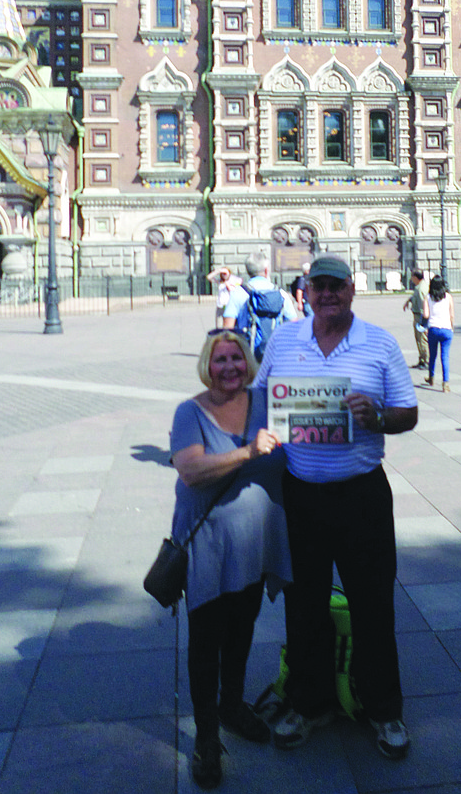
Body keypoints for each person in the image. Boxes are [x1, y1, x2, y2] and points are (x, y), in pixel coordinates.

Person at [255, 255, 418, 760]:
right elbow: (261, 397)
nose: (326, 293)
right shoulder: (284, 339)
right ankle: (309, 702)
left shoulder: (379, 343)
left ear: (352, 290)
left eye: (335, 286)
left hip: (362, 494)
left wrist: (378, 419)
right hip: (301, 494)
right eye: (317, 285)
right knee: (304, 605)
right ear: (305, 290)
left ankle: (383, 708)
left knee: (373, 603)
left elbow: (408, 414)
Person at [170, 331, 292, 788]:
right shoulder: (191, 411)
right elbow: (190, 470)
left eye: (237, 359)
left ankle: (233, 704)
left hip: (256, 542)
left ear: (249, 363)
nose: (229, 368)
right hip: (209, 544)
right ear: (207, 364)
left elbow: (314, 427)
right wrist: (246, 451)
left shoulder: (267, 400)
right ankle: (205, 738)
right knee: (205, 641)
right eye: (220, 360)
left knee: (242, 628)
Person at [222, 252, 297, 361]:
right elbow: (294, 325)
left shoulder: (238, 293)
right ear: (266, 270)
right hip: (275, 356)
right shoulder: (280, 293)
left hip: (247, 356)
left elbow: (227, 329)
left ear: (248, 271)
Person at [423, 274, 454, 391]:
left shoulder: (428, 297)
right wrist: (452, 327)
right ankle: (446, 383)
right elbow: (452, 315)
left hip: (433, 329)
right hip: (446, 329)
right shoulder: (448, 297)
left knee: (433, 356)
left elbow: (426, 315)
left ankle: (431, 377)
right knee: (445, 356)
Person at [402, 268, 429, 369]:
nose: (411, 279)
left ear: (415, 277)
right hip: (417, 315)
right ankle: (422, 359)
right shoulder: (420, 286)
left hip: (420, 316)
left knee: (422, 339)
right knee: (418, 339)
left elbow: (424, 306)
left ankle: (426, 361)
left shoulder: (421, 288)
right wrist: (408, 301)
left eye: (412, 277)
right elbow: (415, 297)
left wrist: (425, 322)